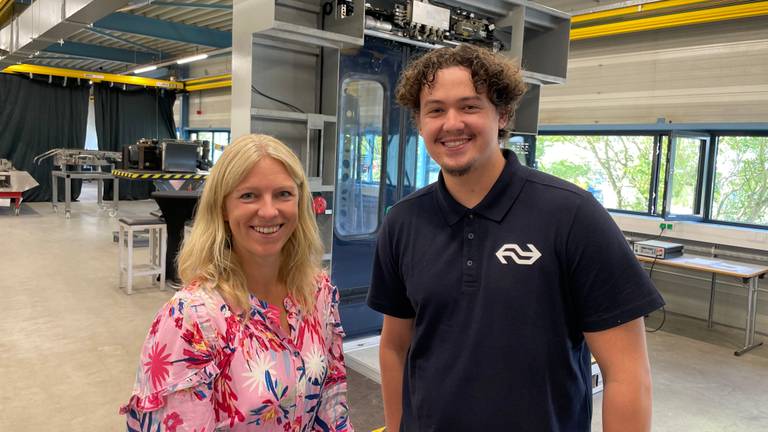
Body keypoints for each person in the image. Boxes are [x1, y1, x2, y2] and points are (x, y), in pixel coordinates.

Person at [367, 44, 664, 431]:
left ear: (502, 114)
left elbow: (626, 373)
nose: (452, 123)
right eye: (436, 109)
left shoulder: (572, 215)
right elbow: (395, 347)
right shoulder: (403, 221)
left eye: (470, 106)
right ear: (420, 122)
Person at [121, 134, 353, 431]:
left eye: (283, 194)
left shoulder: (317, 293)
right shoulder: (192, 320)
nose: (269, 211)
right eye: (248, 196)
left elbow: (333, 406)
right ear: (222, 209)